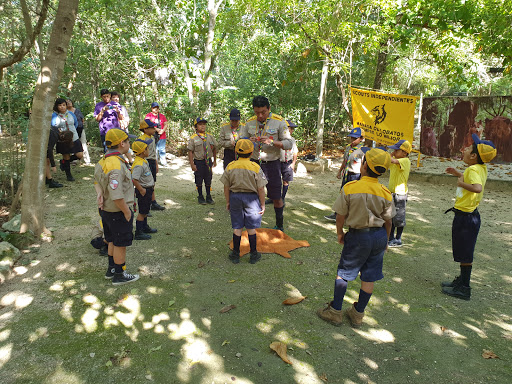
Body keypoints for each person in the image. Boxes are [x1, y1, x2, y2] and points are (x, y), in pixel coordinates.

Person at [317, 148, 394, 327]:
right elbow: (389, 221)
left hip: (358, 236)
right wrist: (386, 240)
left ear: (365, 165)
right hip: (379, 236)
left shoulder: (351, 188)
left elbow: (340, 215)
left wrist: (339, 233)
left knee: (343, 273)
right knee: (369, 276)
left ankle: (336, 311)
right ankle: (358, 313)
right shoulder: (385, 192)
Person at [442, 134, 497, 300]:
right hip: (469, 215)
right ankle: (461, 281)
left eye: (467, 148)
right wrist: (457, 173)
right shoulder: (480, 168)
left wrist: (461, 183)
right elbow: (473, 180)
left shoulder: (472, 169)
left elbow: (477, 188)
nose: (464, 149)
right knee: (463, 250)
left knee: (465, 253)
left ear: (473, 156)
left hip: (466, 218)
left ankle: (464, 288)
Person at [93, 128, 139, 285]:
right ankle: (120, 274)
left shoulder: (103, 160)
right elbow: (116, 194)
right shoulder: (116, 165)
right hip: (117, 210)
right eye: (128, 141)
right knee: (121, 243)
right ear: (122, 143)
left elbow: (96, 181)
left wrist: (99, 192)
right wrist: (127, 211)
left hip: (106, 210)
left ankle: (111, 269)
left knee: (111, 240)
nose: (129, 143)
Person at [240, 96, 292, 232]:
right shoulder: (250, 122)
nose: (260, 115)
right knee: (251, 195)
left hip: (272, 164)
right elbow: (240, 141)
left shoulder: (279, 122)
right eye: (257, 112)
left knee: (276, 196)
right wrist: (247, 141)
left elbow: (289, 143)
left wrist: (272, 142)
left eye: (263, 112)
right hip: (253, 163)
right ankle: (251, 225)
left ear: (269, 109)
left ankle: (279, 225)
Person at [220, 139, 267, 264]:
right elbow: (261, 188)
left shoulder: (230, 166)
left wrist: (228, 201)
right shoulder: (255, 167)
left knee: (237, 227)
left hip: (235, 197)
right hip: (251, 199)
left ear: (236, 152)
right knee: (251, 228)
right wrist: (262, 204)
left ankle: (235, 254)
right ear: (251, 153)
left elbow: (226, 187)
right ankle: (253, 254)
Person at [324, 127, 365, 221]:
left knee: (354, 197)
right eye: (351, 138)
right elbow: (345, 161)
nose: (352, 140)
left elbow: (364, 165)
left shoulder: (362, 151)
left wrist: (362, 178)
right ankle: (337, 214)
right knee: (342, 194)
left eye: (355, 138)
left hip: (356, 176)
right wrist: (340, 171)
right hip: (347, 174)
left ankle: (352, 216)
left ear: (361, 139)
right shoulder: (348, 148)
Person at [131, 138, 158, 240]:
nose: (148, 150)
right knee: (142, 211)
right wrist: (141, 190)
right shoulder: (138, 164)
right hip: (144, 190)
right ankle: (139, 232)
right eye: (147, 148)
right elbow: (134, 179)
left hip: (148, 189)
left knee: (146, 209)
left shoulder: (143, 161)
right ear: (143, 151)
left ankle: (145, 227)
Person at [387, 139, 412, 247]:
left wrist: (389, 155)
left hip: (400, 194)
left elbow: (392, 160)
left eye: (397, 150)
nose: (394, 152)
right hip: (392, 193)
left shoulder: (405, 161)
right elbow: (388, 163)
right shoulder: (396, 161)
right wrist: (391, 155)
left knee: (399, 218)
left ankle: (398, 238)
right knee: (392, 217)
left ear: (404, 153)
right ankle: (391, 237)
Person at [51, 98, 84, 181]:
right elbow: (53, 126)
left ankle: (63, 163)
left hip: (74, 137)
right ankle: (69, 175)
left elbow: (75, 123)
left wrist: (71, 133)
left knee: (79, 155)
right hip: (63, 139)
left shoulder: (71, 114)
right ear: (56, 106)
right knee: (66, 156)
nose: (62, 107)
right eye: (60, 105)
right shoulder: (54, 115)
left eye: (63, 105)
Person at [188, 118, 217, 204]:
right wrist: (192, 165)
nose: (202, 126)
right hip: (199, 161)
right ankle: (200, 196)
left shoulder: (210, 136)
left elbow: (215, 148)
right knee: (199, 179)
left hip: (208, 161)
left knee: (208, 178)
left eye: (204, 124)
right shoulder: (193, 138)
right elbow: (190, 151)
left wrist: (214, 160)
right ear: (196, 127)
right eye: (200, 124)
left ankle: (208, 196)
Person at [139, 119, 166, 211]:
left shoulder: (152, 138)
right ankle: (145, 204)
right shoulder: (141, 140)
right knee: (145, 183)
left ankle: (153, 202)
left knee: (152, 183)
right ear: (145, 129)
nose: (154, 129)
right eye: (152, 128)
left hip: (152, 161)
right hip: (145, 162)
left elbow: (154, 152)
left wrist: (156, 164)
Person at [279, 120, 299, 203]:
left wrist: (293, 163)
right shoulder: (278, 138)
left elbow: (295, 152)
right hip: (278, 161)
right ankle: (274, 198)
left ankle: (282, 198)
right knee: (275, 181)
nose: (292, 131)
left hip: (288, 162)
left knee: (285, 181)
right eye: (291, 128)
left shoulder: (292, 140)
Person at [66, 99, 91, 165]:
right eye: (67, 102)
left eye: (69, 101)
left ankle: (87, 160)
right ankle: (74, 160)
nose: (68, 103)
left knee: (83, 143)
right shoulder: (65, 113)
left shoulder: (77, 111)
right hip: (70, 131)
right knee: (72, 144)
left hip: (80, 129)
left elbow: (82, 119)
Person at [145, 102, 169, 167]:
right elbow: (147, 124)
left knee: (162, 150)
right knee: (153, 150)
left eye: (157, 108)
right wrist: (156, 129)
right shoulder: (148, 116)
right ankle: (154, 163)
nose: (156, 109)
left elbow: (166, 124)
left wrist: (162, 130)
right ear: (151, 108)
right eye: (154, 107)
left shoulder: (162, 116)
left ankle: (163, 162)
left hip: (162, 136)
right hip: (152, 136)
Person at [111, 92, 132, 163]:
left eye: (117, 97)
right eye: (114, 97)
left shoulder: (122, 107)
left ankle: (130, 161)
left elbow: (126, 118)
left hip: (123, 129)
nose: (116, 99)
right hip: (114, 130)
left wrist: (124, 124)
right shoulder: (109, 108)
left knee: (125, 145)